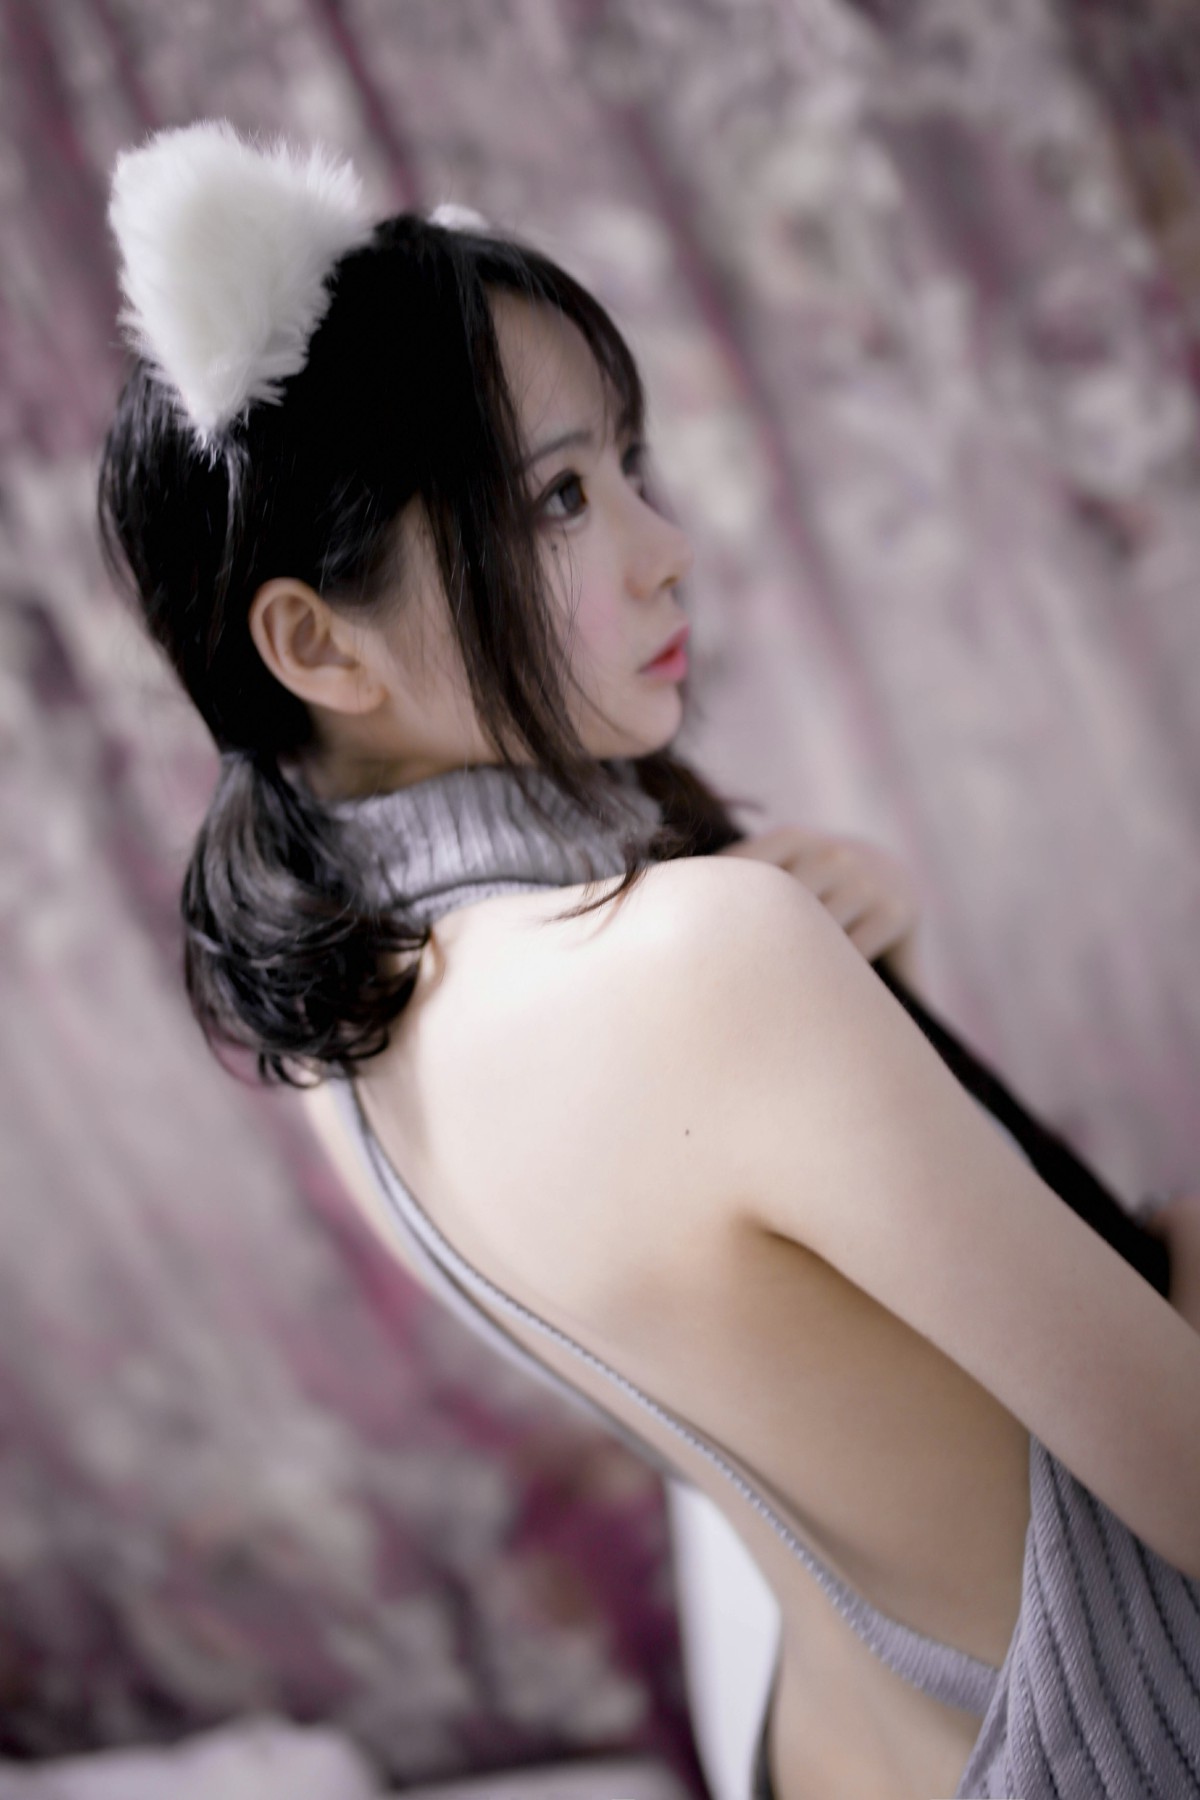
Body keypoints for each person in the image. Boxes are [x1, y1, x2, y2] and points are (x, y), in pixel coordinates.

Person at [97, 121, 1200, 1800]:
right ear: (317, 641)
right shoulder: (700, 956)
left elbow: (788, 1347)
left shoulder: (349, 1029)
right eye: (558, 497)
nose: (664, 545)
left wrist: (874, 994)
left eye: (627, 466)